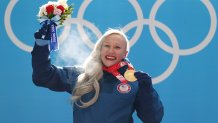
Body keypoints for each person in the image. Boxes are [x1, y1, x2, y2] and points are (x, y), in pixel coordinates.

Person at [31, 24, 164, 123]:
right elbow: (42, 76)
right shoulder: (81, 75)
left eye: (117, 47)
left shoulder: (134, 81)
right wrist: (42, 46)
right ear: (100, 49)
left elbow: (152, 119)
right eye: (106, 46)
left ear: (125, 53)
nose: (111, 51)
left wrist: (147, 91)